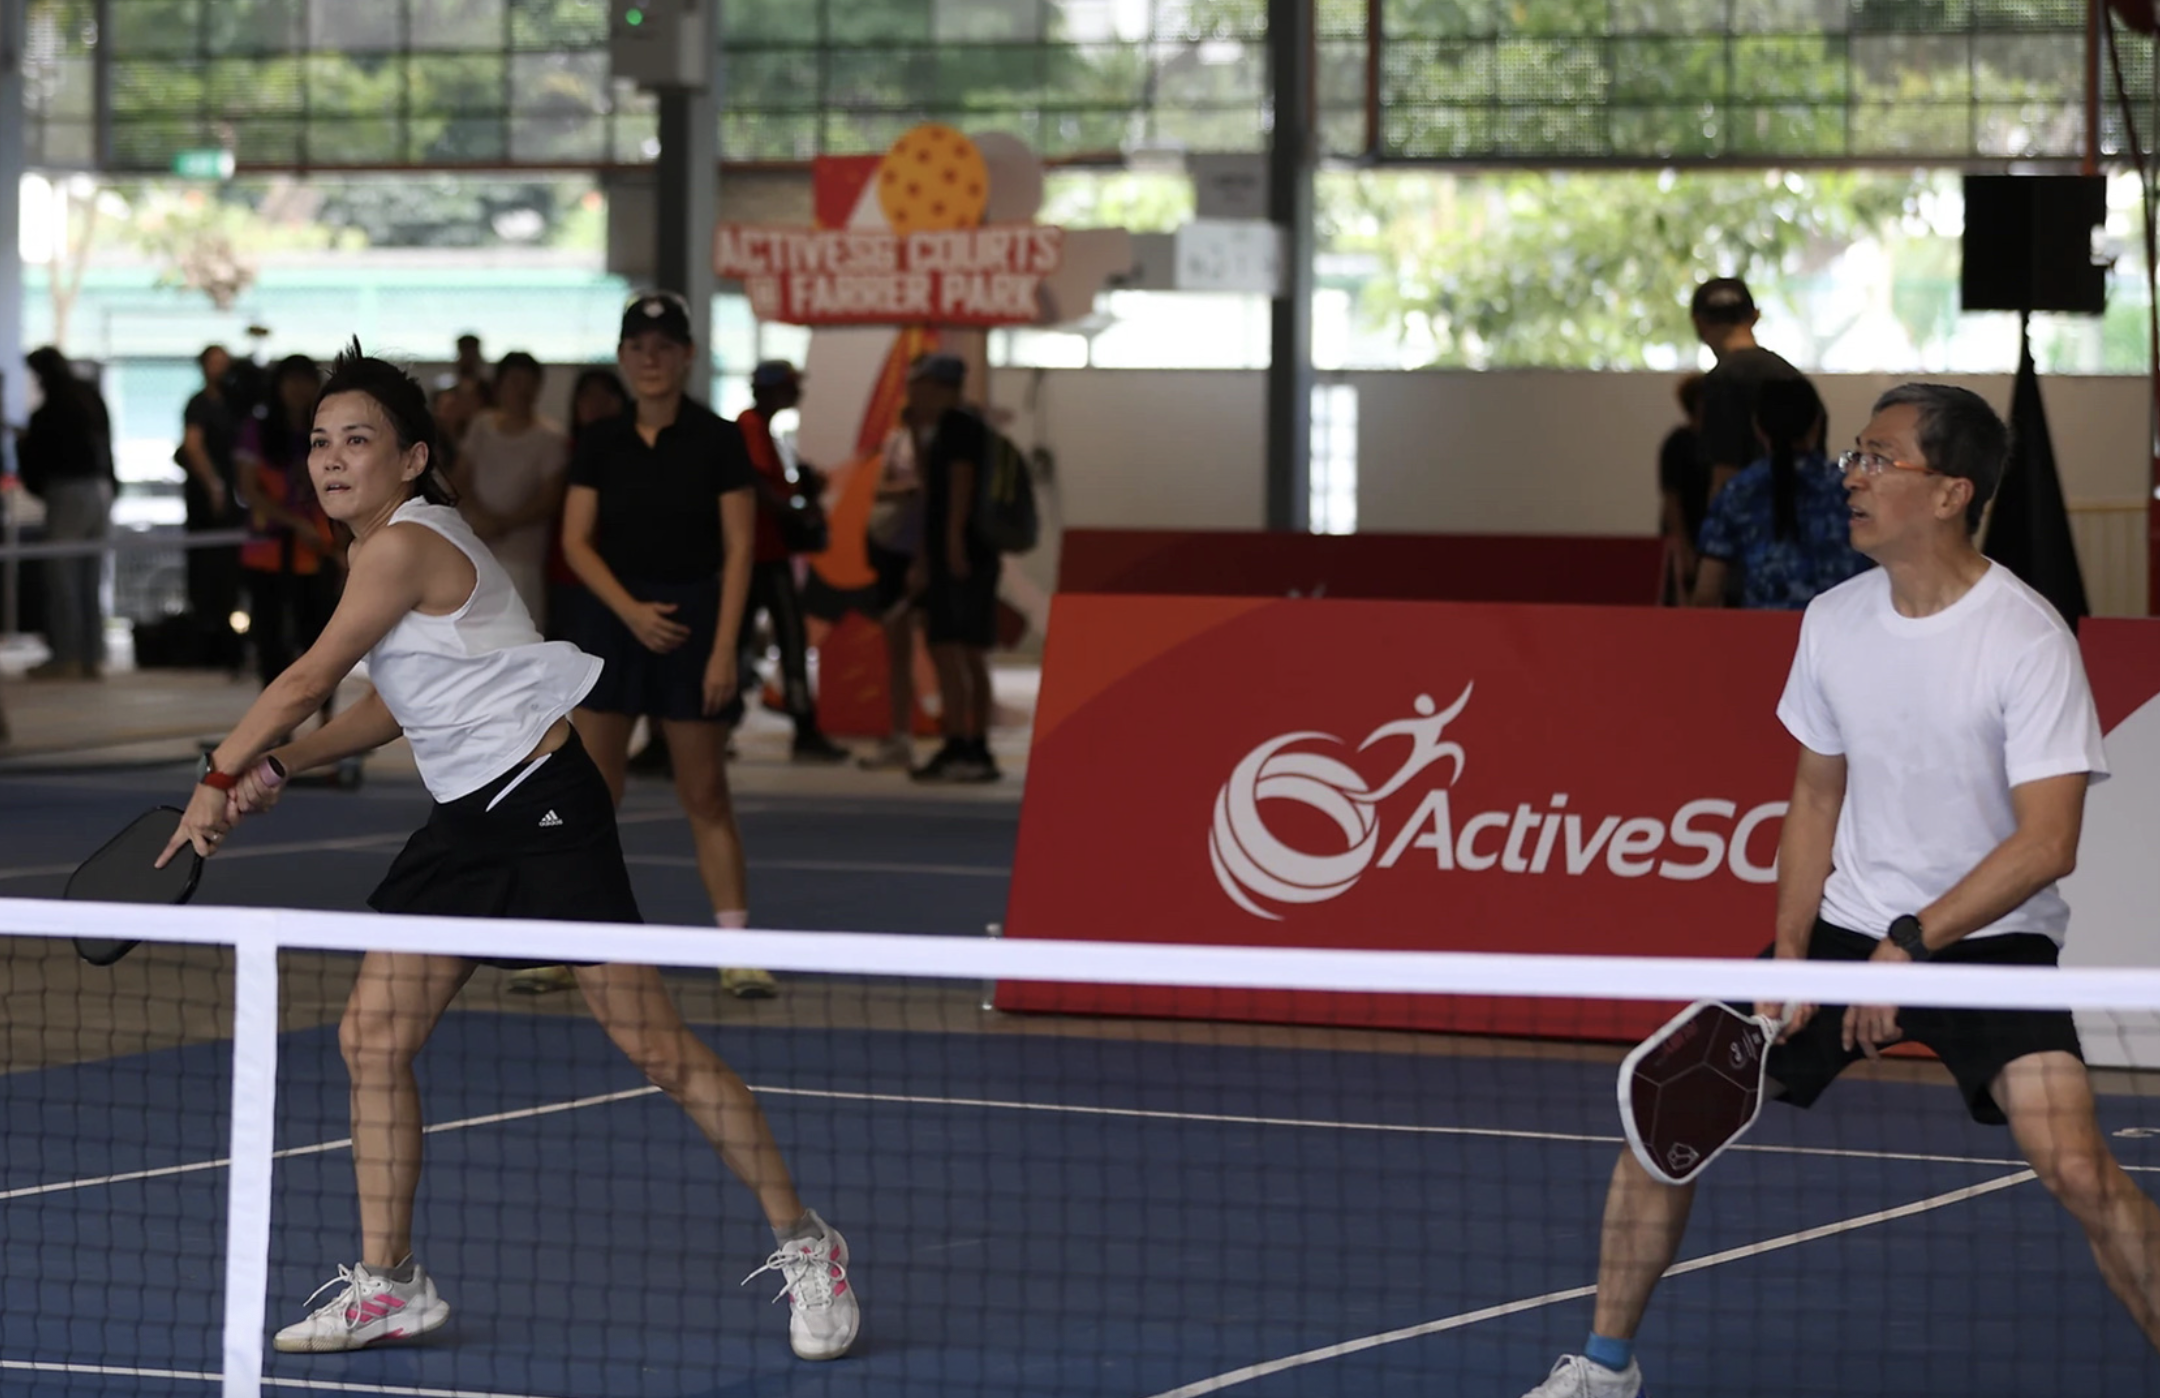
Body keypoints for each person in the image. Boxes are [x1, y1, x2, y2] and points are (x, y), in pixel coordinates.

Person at [156, 341, 858, 1362]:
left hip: (546, 810)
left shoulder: (403, 545)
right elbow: (393, 704)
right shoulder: (386, 554)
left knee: (655, 1050)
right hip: (465, 823)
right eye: (319, 442)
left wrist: (216, 778)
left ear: (411, 459)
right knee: (372, 1039)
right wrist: (288, 766)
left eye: (359, 441)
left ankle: (809, 1242)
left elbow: (307, 676)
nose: (332, 459)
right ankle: (391, 1282)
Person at [1521, 384, 2160, 1398]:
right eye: (1852, 455)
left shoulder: (2028, 639)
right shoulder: (1834, 620)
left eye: (1878, 458)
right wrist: (1788, 954)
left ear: (1951, 491)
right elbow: (1814, 798)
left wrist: (1912, 942)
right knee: (1668, 1113)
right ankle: (1603, 1366)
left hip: (1990, 949)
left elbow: (2048, 845)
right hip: (1843, 932)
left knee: (2080, 1170)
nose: (1850, 476)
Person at [561, 291, 776, 1001]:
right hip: (612, 627)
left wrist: (723, 651)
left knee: (705, 791)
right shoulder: (600, 441)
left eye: (664, 347)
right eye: (637, 348)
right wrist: (627, 612)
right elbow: (574, 540)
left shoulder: (719, 441)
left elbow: (741, 551)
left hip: (694, 624)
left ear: (686, 355)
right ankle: (568, 944)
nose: (650, 360)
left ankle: (738, 950)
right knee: (593, 793)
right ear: (623, 359)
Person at [737, 360, 847, 763]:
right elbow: (757, 485)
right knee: (781, 641)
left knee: (755, 641)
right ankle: (801, 728)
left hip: (764, 554)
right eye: (791, 387)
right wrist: (795, 510)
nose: (797, 394)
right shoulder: (751, 427)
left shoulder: (767, 430)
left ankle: (794, 725)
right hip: (759, 557)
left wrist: (801, 489)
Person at [1689, 376, 1872, 611]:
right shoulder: (1850, 485)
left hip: (1761, 636)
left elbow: (1707, 592)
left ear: (1757, 427)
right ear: (1817, 424)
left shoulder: (1739, 491)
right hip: (1844, 630)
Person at [903, 353, 1000, 784]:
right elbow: (932, 483)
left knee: (952, 650)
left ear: (940, 387)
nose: (914, 393)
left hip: (959, 556)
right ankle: (970, 742)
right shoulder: (952, 428)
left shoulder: (960, 428)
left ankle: (963, 741)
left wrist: (951, 547)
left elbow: (957, 488)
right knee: (966, 651)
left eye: (920, 385)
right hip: (964, 554)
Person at [236, 354, 341, 705]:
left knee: (321, 638)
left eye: (305, 380)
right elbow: (250, 491)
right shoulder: (257, 430)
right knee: (271, 640)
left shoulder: (325, 431)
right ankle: (276, 724)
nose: (298, 389)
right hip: (268, 552)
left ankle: (325, 718)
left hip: (318, 551)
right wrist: (294, 522)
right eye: (291, 380)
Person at [451, 351, 569, 630]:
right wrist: (480, 516)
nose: (522, 390)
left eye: (530, 382)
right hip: (475, 549)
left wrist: (503, 523)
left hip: (523, 558)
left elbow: (549, 498)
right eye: (515, 381)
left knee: (519, 639)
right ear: (499, 385)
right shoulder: (481, 425)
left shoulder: (551, 437)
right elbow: (460, 477)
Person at [18, 347, 116, 680]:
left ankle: (68, 656)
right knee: (89, 576)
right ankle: (90, 655)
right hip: (99, 488)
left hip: (71, 489)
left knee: (64, 579)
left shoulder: (52, 410)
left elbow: (37, 460)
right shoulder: (87, 398)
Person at [1691, 277, 1807, 511]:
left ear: (1699, 323)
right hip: (1801, 524)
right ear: (1755, 316)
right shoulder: (1793, 377)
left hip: (1749, 528)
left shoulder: (1722, 381)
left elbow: (1724, 474)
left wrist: (1716, 538)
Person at [859, 410, 929, 772]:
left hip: (929, 555)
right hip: (893, 552)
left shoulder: (946, 441)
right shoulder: (898, 440)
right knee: (897, 649)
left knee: (950, 650)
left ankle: (964, 740)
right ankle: (900, 734)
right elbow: (881, 488)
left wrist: (925, 559)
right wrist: (910, 489)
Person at [178, 343, 244, 663]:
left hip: (231, 497)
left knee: (229, 571)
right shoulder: (198, 404)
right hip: (207, 501)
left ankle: (228, 641)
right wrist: (214, 485)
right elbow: (193, 446)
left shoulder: (234, 404)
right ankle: (206, 640)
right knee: (206, 570)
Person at [1656, 373, 1705, 606]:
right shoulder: (1679, 443)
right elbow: (1672, 499)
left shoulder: (1719, 446)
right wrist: (1683, 548)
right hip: (1686, 536)